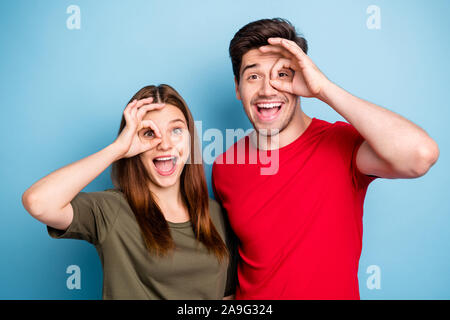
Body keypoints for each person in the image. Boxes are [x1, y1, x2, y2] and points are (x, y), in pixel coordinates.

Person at [212, 18, 439, 300]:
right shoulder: (225, 166)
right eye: (253, 76)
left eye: (282, 74)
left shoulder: (343, 146)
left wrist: (323, 89)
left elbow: (421, 155)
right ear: (238, 87)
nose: (267, 89)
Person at [22, 84, 237, 300]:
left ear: (190, 139)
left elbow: (227, 295)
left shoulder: (215, 214)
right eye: (149, 133)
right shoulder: (111, 210)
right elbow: (38, 202)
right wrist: (117, 149)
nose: (164, 144)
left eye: (176, 130)